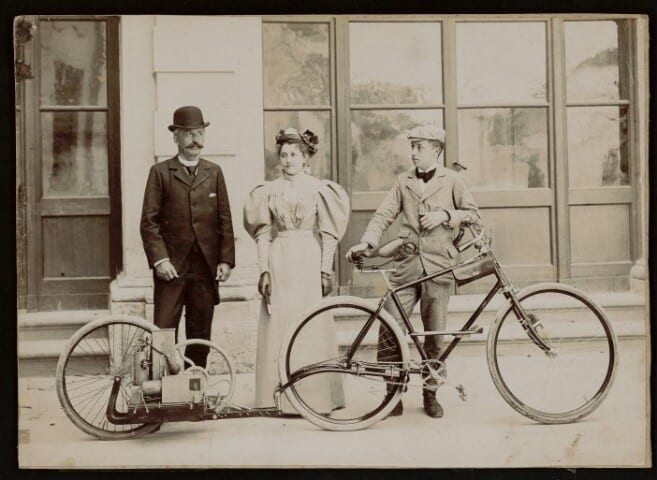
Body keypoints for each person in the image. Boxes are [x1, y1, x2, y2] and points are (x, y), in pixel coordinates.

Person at [345, 125, 479, 418]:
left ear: (436, 150)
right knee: (390, 327)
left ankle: (430, 394)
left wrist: (445, 215)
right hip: (405, 267)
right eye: (413, 146)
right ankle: (392, 392)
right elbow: (383, 214)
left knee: (435, 334)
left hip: (439, 268)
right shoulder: (403, 181)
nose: (413, 152)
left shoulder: (452, 180)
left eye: (419, 146)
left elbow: (473, 215)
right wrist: (367, 241)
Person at [244, 127, 349, 414]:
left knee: (310, 324)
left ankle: (316, 397)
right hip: (280, 257)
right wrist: (263, 270)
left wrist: (325, 271)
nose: (287, 160)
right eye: (283, 155)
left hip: (307, 258)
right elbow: (263, 234)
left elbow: (329, 233)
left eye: (293, 154)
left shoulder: (319, 189)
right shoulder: (268, 190)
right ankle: (275, 396)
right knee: (279, 321)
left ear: (305, 158)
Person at [140, 105, 235, 368]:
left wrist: (225, 260)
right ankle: (161, 394)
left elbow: (224, 219)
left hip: (205, 269)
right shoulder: (160, 172)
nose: (196, 139)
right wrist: (160, 261)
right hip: (171, 268)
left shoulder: (213, 172)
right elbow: (149, 222)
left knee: (200, 331)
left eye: (200, 133)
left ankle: (196, 392)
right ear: (176, 137)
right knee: (163, 333)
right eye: (189, 133)